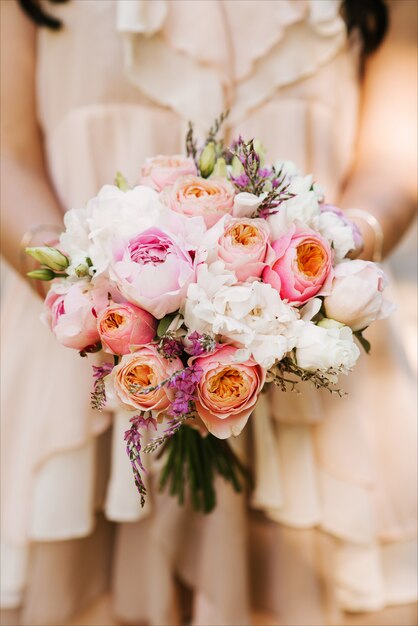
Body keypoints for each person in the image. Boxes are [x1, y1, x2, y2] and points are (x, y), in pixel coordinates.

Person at [1, 1, 416, 625]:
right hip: (78, 384)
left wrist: (324, 260)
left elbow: (395, 147)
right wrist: (83, 282)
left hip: (316, 384)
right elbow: (7, 153)